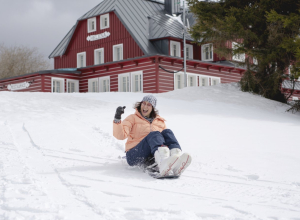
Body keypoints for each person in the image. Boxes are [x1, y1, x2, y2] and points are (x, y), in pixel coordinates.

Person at [113, 95, 192, 177]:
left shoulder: (160, 122)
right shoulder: (132, 118)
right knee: (154, 134)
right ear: (140, 104)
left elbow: (165, 141)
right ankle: (162, 161)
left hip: (151, 156)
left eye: (149, 105)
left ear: (153, 108)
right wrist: (117, 118)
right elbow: (120, 136)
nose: (145, 106)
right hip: (134, 155)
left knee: (167, 132)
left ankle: (176, 160)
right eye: (144, 103)